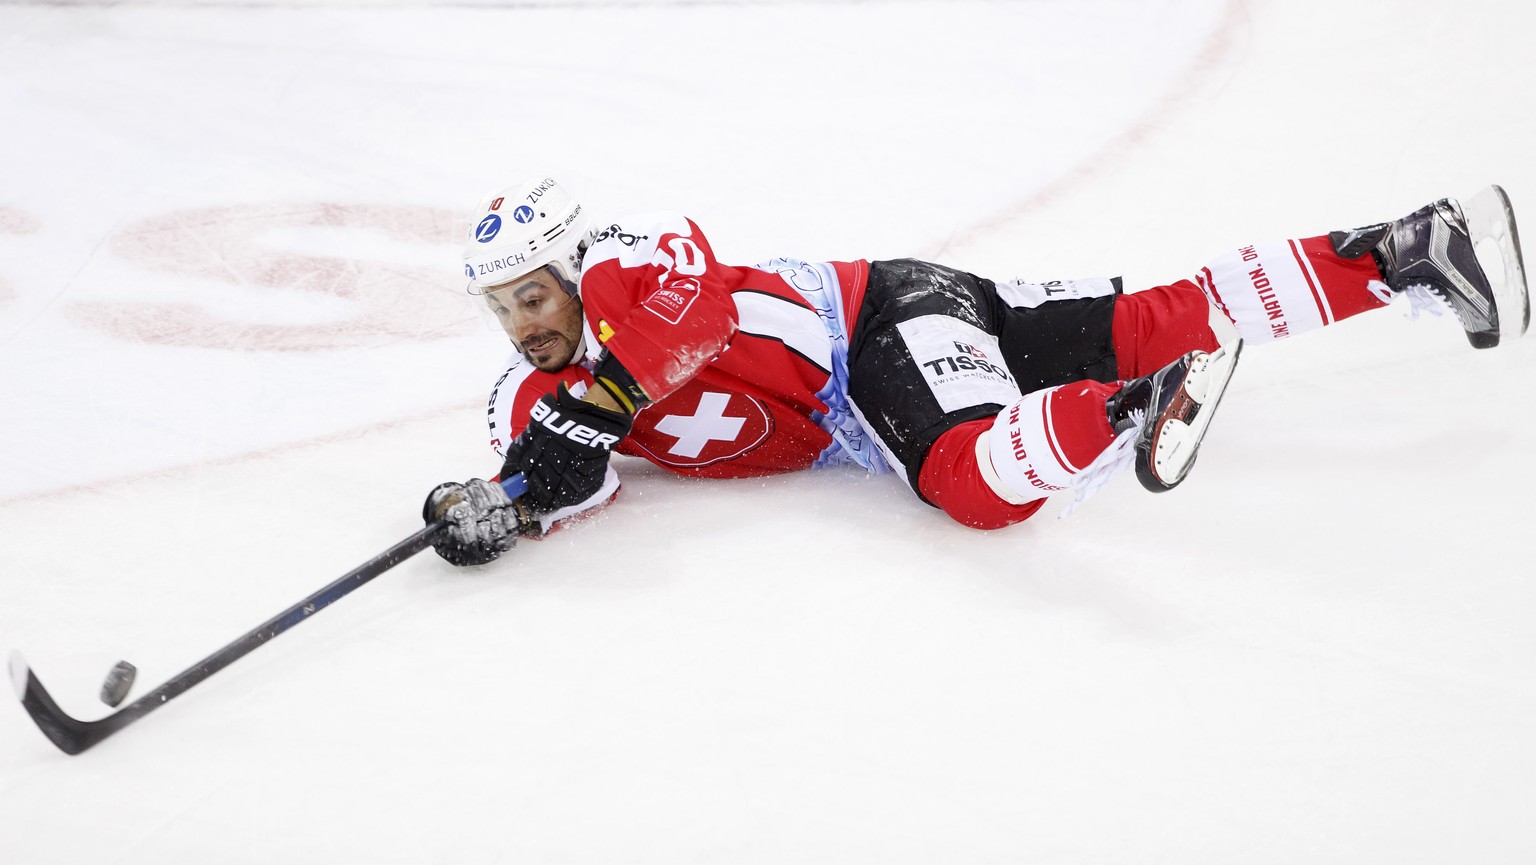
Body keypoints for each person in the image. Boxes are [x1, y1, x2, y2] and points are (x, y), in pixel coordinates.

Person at [421, 177, 1529, 566]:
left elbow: (688, 327)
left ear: (573, 267)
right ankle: (1409, 249)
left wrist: (603, 402)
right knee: (1156, 317)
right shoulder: (527, 397)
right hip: (900, 320)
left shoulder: (636, 255)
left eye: (533, 296)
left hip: (871, 329)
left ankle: (1132, 410)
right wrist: (498, 508)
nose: (523, 328)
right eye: (500, 309)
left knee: (964, 482)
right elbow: (563, 482)